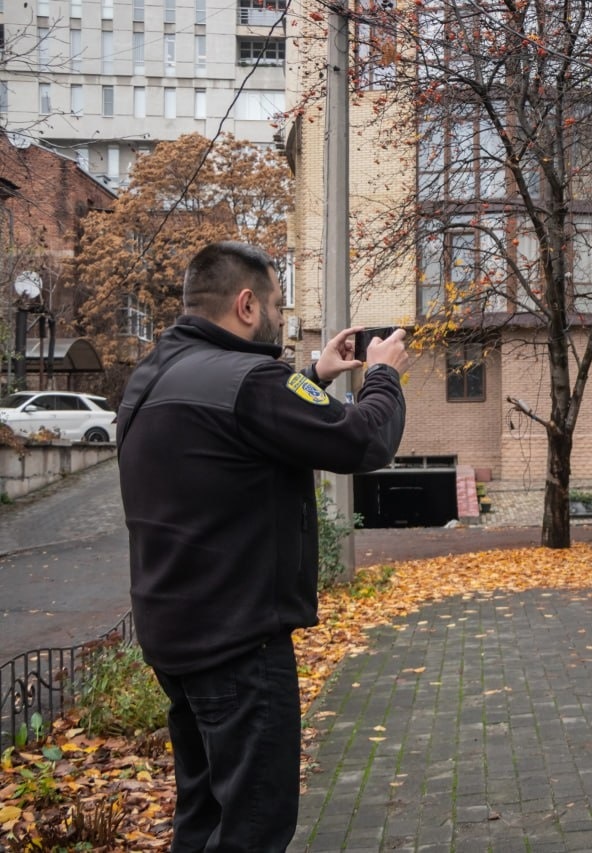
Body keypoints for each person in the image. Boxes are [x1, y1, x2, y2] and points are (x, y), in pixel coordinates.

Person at [116, 241, 409, 851]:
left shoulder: (151, 379)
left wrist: (315, 379)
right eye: (277, 302)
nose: (281, 316)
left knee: (202, 817)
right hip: (239, 645)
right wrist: (383, 372)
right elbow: (363, 442)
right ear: (247, 305)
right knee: (254, 825)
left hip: (175, 639)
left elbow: (233, 440)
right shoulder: (250, 380)